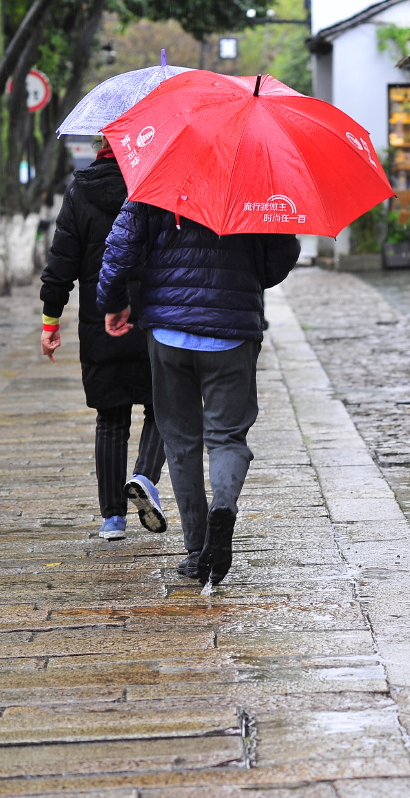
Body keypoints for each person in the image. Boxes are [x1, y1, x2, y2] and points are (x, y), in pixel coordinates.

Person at [97, 202, 299, 586]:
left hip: (168, 330)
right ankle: (223, 505)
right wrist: (249, 277)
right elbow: (282, 254)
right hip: (232, 330)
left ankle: (196, 549)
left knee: (180, 441)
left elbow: (119, 247)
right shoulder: (257, 180)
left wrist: (113, 301)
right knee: (227, 437)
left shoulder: (157, 173)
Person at [39, 136, 167, 542]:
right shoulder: (156, 181)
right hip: (153, 314)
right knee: (162, 406)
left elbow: (62, 261)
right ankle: (144, 477)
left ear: (101, 143)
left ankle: (113, 519)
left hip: (100, 319)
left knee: (111, 417)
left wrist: (50, 319)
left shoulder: (80, 189)